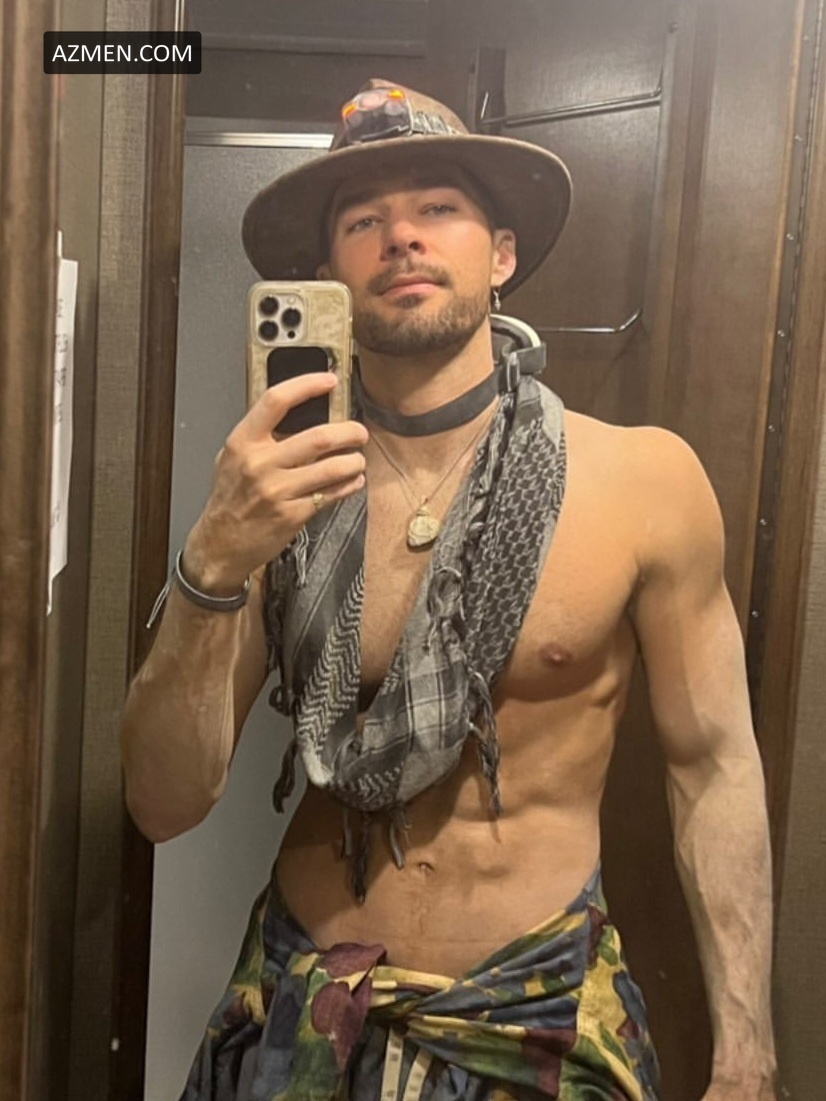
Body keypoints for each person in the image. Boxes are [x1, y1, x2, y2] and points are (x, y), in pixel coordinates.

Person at [121, 80, 778, 1101]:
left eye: (438, 206)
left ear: (501, 254)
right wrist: (213, 560)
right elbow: (162, 802)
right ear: (325, 274)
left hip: (539, 1013)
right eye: (363, 221)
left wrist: (746, 1048)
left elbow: (715, 765)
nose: (402, 237)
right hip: (305, 1005)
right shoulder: (274, 494)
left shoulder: (644, 482)